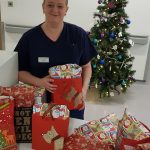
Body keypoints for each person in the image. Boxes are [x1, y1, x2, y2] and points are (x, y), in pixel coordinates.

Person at [14, 0, 97, 120]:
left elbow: (86, 67)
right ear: (43, 7)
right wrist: (39, 82)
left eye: (60, 6)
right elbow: (19, 72)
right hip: (40, 105)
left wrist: (83, 91)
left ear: (66, 10)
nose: (55, 10)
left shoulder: (78, 35)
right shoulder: (29, 38)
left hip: (72, 104)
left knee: (72, 136)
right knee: (45, 136)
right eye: (50, 5)